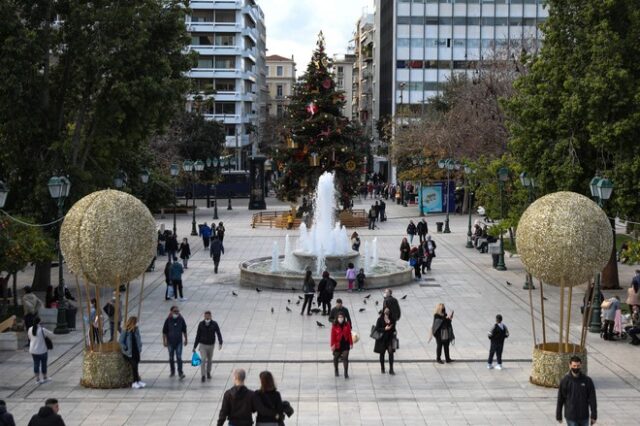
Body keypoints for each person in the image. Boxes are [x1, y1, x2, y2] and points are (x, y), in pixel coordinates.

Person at [556, 356, 597, 426]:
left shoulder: (587, 381)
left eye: (578, 366)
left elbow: (592, 399)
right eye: (574, 366)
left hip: (584, 416)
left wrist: (594, 415)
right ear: (570, 365)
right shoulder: (565, 381)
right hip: (571, 417)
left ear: (581, 365)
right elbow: (560, 399)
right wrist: (559, 415)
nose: (576, 368)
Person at [193, 310, 223, 382]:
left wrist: (220, 342)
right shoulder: (201, 324)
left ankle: (208, 372)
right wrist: (194, 346)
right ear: (204, 316)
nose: (207, 317)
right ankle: (203, 375)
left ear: (210, 316)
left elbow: (218, 333)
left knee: (209, 360)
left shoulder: (214, 324)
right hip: (202, 345)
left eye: (208, 315)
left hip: (211, 345)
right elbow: (198, 335)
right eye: (205, 315)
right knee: (203, 359)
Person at [119, 316, 145, 389]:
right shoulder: (125, 330)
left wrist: (140, 346)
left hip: (136, 351)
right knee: (134, 366)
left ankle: (138, 381)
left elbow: (139, 339)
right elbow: (121, 341)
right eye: (135, 322)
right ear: (132, 322)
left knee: (136, 366)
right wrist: (125, 348)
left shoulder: (136, 330)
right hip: (129, 353)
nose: (136, 324)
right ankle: (134, 382)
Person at [162, 306, 187, 379]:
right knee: (171, 357)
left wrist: (186, 339)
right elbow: (164, 332)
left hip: (179, 341)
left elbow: (184, 330)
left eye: (177, 311)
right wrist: (164, 341)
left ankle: (180, 372)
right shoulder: (168, 320)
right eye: (175, 311)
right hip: (170, 342)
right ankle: (172, 371)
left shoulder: (181, 319)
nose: (176, 313)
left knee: (179, 357)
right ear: (171, 312)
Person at [27, 317, 53, 384]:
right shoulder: (42, 329)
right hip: (42, 350)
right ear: (39, 322)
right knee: (43, 364)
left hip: (33, 350)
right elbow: (51, 334)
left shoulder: (30, 329)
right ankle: (45, 377)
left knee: (36, 364)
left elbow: (29, 338)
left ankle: (37, 379)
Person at [374, 307, 396, 375]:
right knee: (382, 354)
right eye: (386, 310)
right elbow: (377, 329)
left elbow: (394, 328)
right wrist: (385, 329)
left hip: (390, 339)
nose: (387, 311)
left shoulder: (392, 319)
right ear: (383, 311)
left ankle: (391, 369)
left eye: (388, 310)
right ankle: (382, 368)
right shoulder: (380, 319)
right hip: (382, 339)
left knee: (391, 352)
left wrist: (393, 331)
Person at [330, 312, 353, 379]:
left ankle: (346, 373)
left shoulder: (347, 324)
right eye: (339, 317)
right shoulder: (334, 325)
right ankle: (336, 369)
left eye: (342, 317)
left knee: (345, 358)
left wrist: (351, 343)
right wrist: (332, 344)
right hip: (337, 343)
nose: (341, 319)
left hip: (345, 343)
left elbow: (349, 334)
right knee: (336, 357)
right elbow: (332, 336)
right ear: (337, 318)